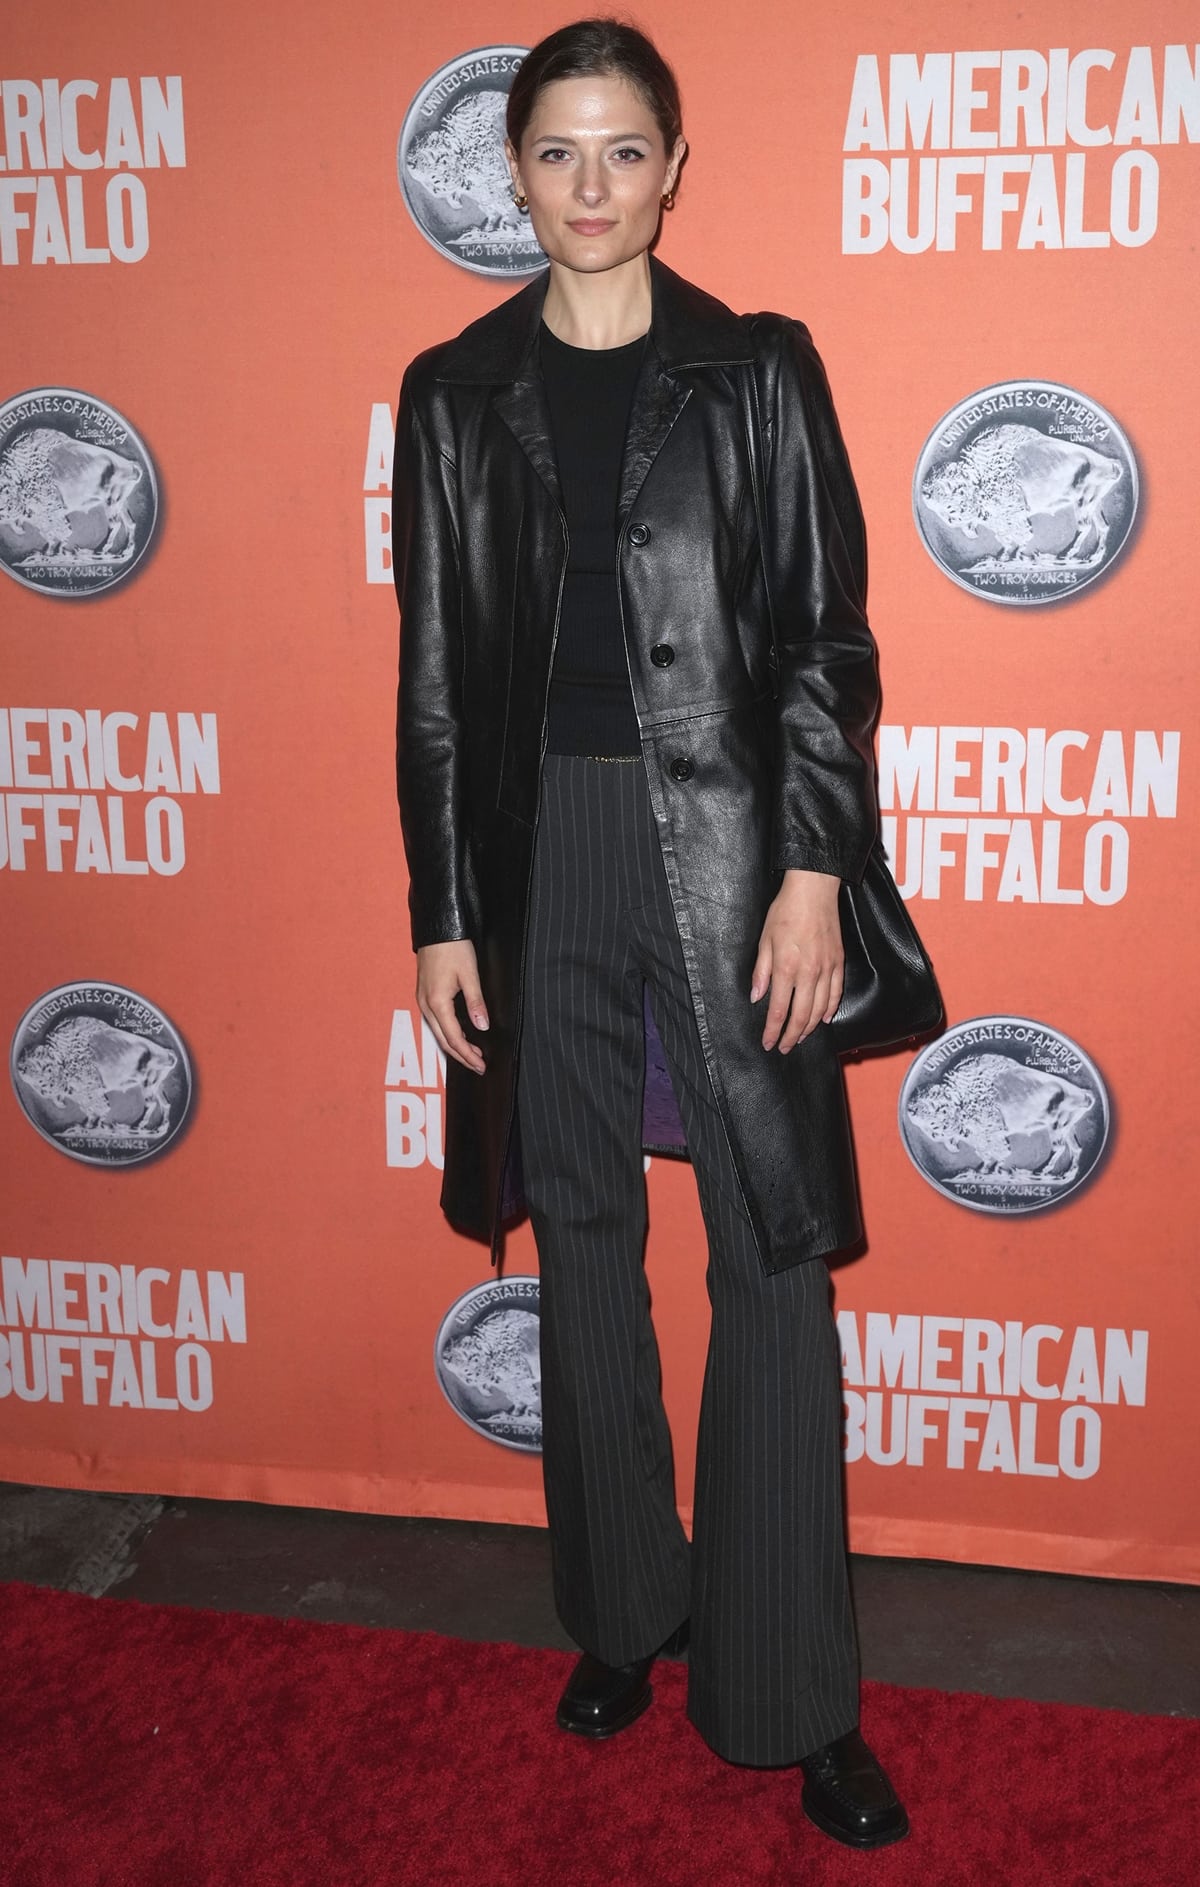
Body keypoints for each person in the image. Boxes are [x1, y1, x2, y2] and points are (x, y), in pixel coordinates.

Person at [393, 17, 908, 1852]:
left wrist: (812, 868)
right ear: (512, 171)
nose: (593, 188)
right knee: (588, 1236)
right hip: (548, 863)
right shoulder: (453, 392)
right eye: (558, 153)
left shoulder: (760, 371)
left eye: (626, 153)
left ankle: (794, 1691)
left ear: (674, 169)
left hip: (737, 856)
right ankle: (631, 1612)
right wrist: (445, 912)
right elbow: (437, 689)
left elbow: (827, 646)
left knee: (772, 1247)